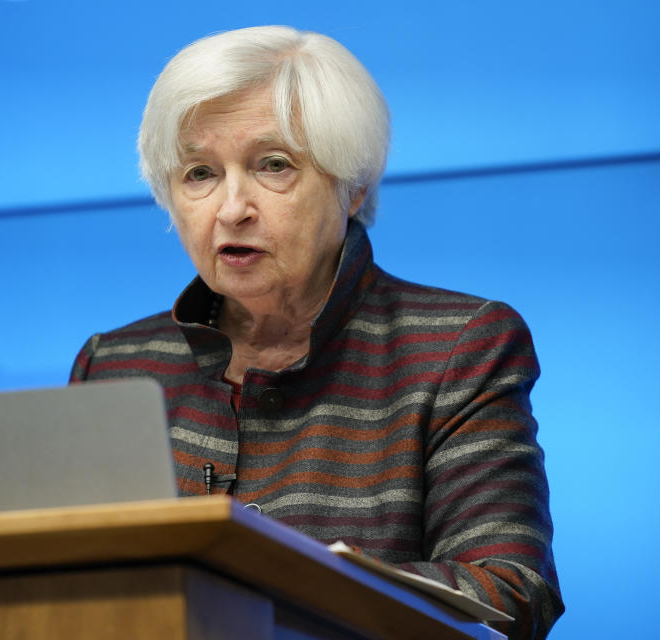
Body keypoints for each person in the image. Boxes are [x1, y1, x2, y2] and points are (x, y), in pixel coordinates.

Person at [70, 25, 563, 639]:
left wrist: (296, 584)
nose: (231, 209)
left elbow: (511, 591)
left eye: (272, 165)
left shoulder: (458, 347)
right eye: (199, 174)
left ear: (353, 186)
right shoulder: (114, 366)